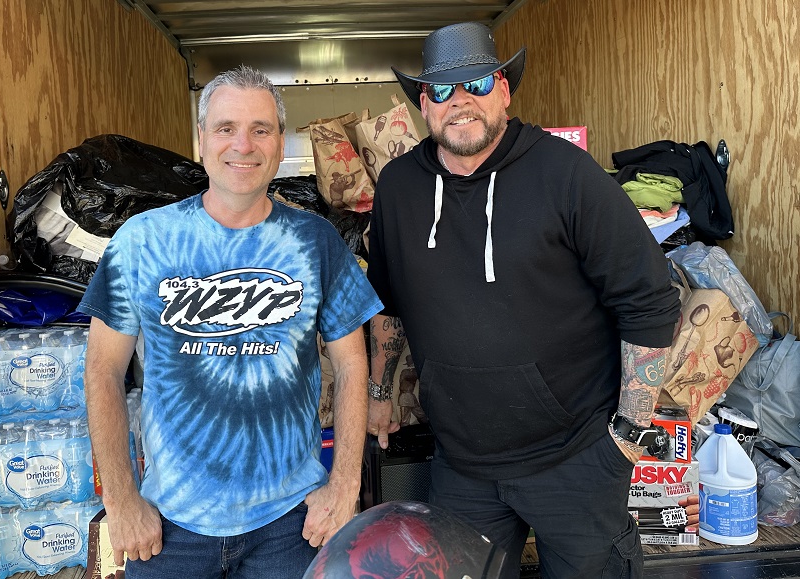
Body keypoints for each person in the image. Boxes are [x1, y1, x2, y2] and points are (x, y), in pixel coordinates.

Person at [366, 22, 681, 579]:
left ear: (505, 91)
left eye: (477, 83)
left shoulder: (567, 175)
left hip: (576, 460)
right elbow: (388, 303)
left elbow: (649, 301)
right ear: (423, 103)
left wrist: (627, 437)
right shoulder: (398, 187)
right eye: (442, 90)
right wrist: (379, 395)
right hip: (462, 467)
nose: (460, 101)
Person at [79, 65, 382, 578]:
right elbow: (102, 371)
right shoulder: (142, 241)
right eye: (226, 128)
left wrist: (345, 486)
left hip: (291, 524)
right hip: (169, 526)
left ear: (280, 143)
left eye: (261, 129)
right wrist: (123, 500)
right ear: (201, 140)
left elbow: (353, 364)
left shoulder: (316, 242)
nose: (243, 145)